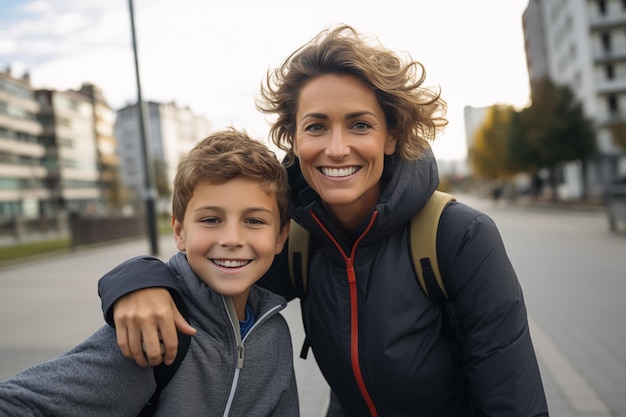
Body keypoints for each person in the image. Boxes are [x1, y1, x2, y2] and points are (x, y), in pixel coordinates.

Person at [98, 25, 549, 416]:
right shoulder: (296, 238)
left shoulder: (459, 236)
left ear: (391, 136)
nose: (336, 148)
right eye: (316, 127)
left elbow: (512, 400)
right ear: (293, 138)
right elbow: (208, 273)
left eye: (359, 125)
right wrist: (136, 283)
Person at [0, 128, 299, 416]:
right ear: (179, 232)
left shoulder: (275, 334)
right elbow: (20, 403)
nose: (232, 239)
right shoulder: (154, 329)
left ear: (280, 237)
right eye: (210, 220)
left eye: (255, 221)